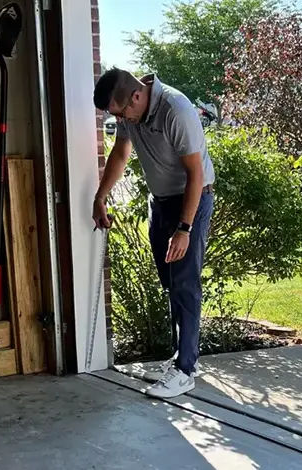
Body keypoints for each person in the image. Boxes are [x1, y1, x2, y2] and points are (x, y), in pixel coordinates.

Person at [92, 68, 216, 398]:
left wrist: (184, 228)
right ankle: (182, 357)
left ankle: (185, 370)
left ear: (136, 96)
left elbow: (196, 175)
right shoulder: (130, 111)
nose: (122, 120)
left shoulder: (176, 109)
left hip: (191, 199)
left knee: (186, 283)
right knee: (170, 280)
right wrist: (100, 196)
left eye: (122, 113)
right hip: (160, 202)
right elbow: (120, 153)